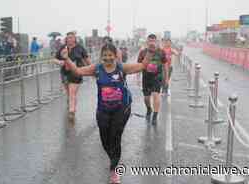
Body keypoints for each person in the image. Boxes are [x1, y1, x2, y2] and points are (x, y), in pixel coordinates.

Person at [60, 43, 150, 184]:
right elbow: (77, 71)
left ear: (115, 56)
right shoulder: (97, 69)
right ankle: (113, 159)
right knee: (105, 139)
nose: (108, 58)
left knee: (115, 137)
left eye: (110, 55)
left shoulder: (122, 68)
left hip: (122, 109)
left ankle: (114, 169)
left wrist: (150, 51)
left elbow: (142, 66)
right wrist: (66, 59)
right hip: (103, 110)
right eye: (105, 55)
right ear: (101, 56)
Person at [54, 31, 91, 120]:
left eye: (71, 37)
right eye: (68, 38)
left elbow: (87, 59)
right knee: (68, 92)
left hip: (76, 73)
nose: (69, 39)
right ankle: (70, 103)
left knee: (72, 93)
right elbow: (54, 59)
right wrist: (59, 62)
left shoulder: (80, 48)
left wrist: (92, 69)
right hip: (65, 73)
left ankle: (72, 111)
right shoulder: (63, 48)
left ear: (75, 39)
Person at [137, 34, 167, 125]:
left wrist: (166, 78)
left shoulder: (161, 52)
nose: (152, 42)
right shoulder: (142, 52)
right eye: (150, 40)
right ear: (147, 42)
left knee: (155, 95)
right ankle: (149, 109)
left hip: (157, 77)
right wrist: (138, 78)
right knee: (146, 98)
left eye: (153, 41)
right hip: (146, 77)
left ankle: (155, 115)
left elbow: (165, 65)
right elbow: (138, 66)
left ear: (156, 41)